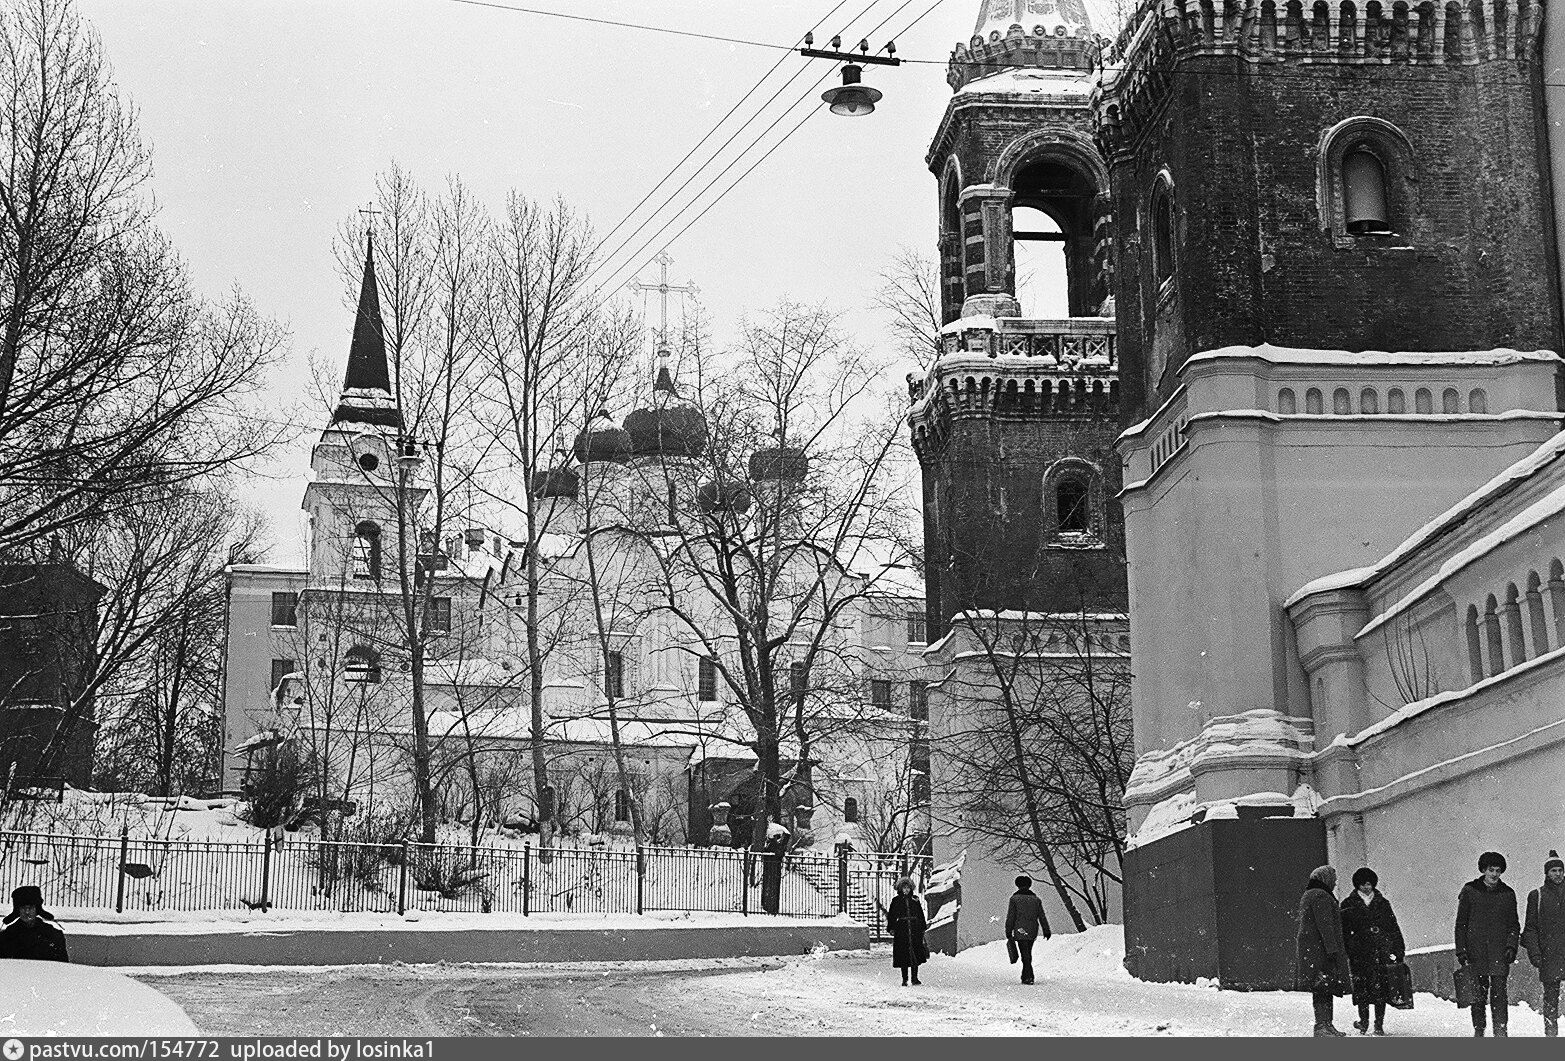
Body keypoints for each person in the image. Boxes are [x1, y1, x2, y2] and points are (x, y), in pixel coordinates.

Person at [1456, 850, 1521, 1037]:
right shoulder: (1470, 891)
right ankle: (1479, 1030)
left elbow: (1513, 924)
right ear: (1484, 870)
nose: (1494, 874)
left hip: (1499, 952)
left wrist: (1511, 946)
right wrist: (1461, 950)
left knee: (1499, 994)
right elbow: (1461, 924)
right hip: (1476, 952)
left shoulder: (1507, 894)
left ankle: (1501, 1031)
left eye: (1498, 871)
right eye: (1491, 870)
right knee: (1478, 995)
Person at [1339, 867, 1405, 1036]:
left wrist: (1397, 949)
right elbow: (1344, 931)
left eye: (1369, 884)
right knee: (1362, 987)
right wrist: (1349, 948)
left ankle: (1378, 1023)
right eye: (1363, 884)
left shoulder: (1382, 903)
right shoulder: (1348, 904)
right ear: (1357, 885)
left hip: (1380, 950)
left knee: (1381, 986)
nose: (1366, 887)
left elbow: (1392, 927)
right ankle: (1364, 1021)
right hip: (1359, 952)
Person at [1297, 865, 1351, 1036]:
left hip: (1314, 950)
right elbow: (1325, 925)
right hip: (1321, 951)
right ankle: (1322, 1026)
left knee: (1324, 987)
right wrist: (1332, 949)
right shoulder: (1320, 896)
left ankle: (1326, 1025)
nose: (1335, 883)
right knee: (1323, 987)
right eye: (1333, 879)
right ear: (1325, 879)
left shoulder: (1311, 894)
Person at [1522, 850, 1565, 1038]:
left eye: (1560, 870)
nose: (1557, 874)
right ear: (1546, 873)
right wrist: (1535, 954)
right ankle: (1551, 1037)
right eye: (1553, 870)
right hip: (1550, 956)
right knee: (1550, 1000)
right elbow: (1530, 929)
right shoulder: (1537, 896)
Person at [0, 885, 69, 961]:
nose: (27, 912)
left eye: (30, 907)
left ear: (37, 910)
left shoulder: (53, 936)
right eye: (23, 908)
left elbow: (62, 966)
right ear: (18, 910)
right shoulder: (6, 937)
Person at [1005, 874, 1052, 985]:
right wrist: (1046, 930)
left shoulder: (1014, 899)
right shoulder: (1036, 900)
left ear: (1018, 885)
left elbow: (1011, 916)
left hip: (1020, 929)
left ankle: (1028, 976)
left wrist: (1008, 930)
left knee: (1024, 953)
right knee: (1027, 951)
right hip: (1032, 929)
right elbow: (1042, 916)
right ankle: (1026, 975)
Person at [887, 876, 929, 986]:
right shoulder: (896, 901)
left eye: (908, 888)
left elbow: (920, 914)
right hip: (902, 929)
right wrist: (892, 928)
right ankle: (904, 979)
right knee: (903, 954)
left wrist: (923, 927)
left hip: (915, 929)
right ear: (900, 889)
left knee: (915, 953)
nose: (906, 890)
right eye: (904, 888)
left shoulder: (915, 900)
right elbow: (891, 915)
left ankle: (914, 978)